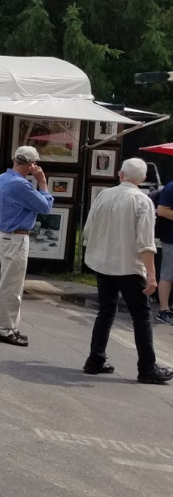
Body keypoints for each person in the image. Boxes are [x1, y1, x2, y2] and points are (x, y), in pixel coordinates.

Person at [82, 158, 173, 383]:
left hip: (102, 262)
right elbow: (145, 243)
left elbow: (87, 230)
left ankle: (95, 359)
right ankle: (147, 367)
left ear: (120, 174)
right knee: (141, 316)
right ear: (143, 179)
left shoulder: (103, 195)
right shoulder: (142, 201)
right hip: (129, 266)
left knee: (106, 310)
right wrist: (151, 274)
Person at [0, 146, 54, 346]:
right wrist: (42, 182)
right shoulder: (20, 185)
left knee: (9, 282)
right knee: (12, 285)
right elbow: (45, 207)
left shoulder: (0, 179)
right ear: (31, 164)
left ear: (14, 158)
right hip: (15, 236)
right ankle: (4, 328)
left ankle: (8, 326)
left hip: (3, 233)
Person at [154, 181, 173, 324]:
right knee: (168, 274)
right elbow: (161, 210)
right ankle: (164, 309)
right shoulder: (171, 187)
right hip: (171, 239)